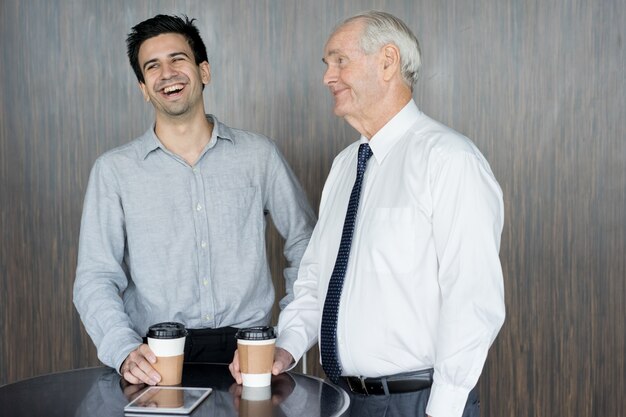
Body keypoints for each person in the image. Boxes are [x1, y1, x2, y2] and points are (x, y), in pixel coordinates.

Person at [229, 10, 505, 417]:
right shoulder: (345, 166)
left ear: (388, 61)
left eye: (340, 60)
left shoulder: (449, 160)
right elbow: (317, 277)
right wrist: (284, 348)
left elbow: (472, 297)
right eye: (327, 64)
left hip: (420, 403)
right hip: (342, 401)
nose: (328, 76)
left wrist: (443, 409)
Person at [73, 14, 316, 387]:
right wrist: (122, 348)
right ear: (143, 87)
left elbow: (308, 246)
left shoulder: (259, 155)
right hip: (155, 358)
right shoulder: (114, 171)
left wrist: (288, 335)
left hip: (247, 354)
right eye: (152, 66)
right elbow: (94, 277)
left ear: (204, 71)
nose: (167, 73)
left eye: (178, 59)